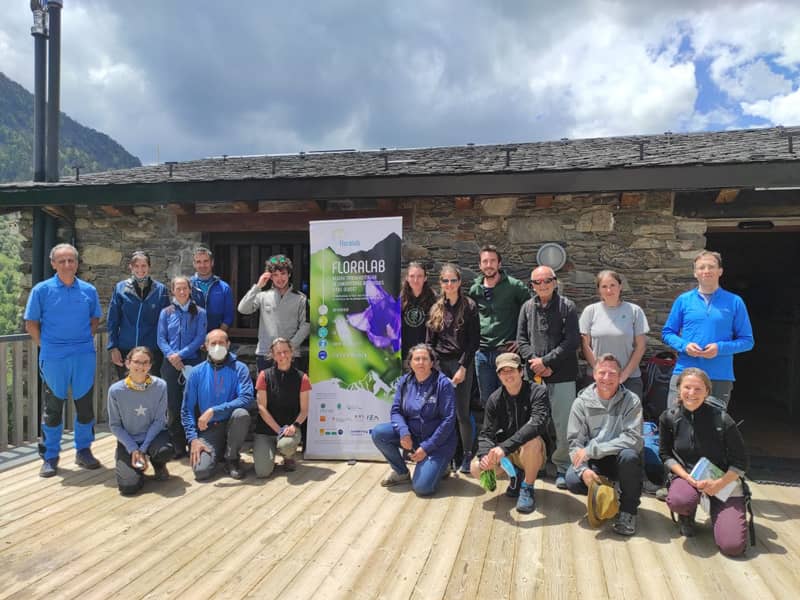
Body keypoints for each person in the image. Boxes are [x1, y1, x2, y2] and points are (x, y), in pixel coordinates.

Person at [24, 243, 103, 478]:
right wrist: (46, 346)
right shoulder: (41, 290)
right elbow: (31, 324)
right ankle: (50, 456)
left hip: (83, 356)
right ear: (53, 264)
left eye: (71, 260)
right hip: (54, 357)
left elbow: (95, 319)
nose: (67, 265)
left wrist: (80, 342)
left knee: (85, 406)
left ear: (77, 263)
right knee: (53, 408)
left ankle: (84, 450)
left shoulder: (89, 290)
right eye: (62, 261)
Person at [659, 367, 749, 556]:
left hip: (724, 480)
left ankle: (718, 508)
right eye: (687, 387)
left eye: (698, 389)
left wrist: (718, 484)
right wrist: (686, 477)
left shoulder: (722, 419)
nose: (692, 393)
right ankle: (687, 515)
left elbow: (740, 462)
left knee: (732, 547)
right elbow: (665, 454)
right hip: (688, 477)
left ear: (707, 391)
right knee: (680, 499)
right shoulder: (669, 417)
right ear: (679, 389)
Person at [662, 250, 754, 410]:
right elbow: (667, 333)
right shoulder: (683, 300)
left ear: (720, 271)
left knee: (714, 429)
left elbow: (747, 341)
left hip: (719, 375)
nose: (706, 271)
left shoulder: (734, 302)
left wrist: (720, 348)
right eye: (701, 267)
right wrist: (684, 346)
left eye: (711, 267)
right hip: (685, 373)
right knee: (676, 424)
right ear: (695, 273)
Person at [565, 353, 643, 536]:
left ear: (620, 375)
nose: (606, 378)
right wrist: (583, 470)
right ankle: (605, 491)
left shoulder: (631, 401)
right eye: (602, 373)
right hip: (595, 461)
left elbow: (633, 438)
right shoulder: (581, 403)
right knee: (572, 479)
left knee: (630, 455)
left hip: (620, 458)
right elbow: (574, 442)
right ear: (594, 374)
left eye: (612, 373)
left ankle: (629, 510)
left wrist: (593, 449)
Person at [517, 265, 579, 489]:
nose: (542, 285)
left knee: (563, 424)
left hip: (562, 375)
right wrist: (536, 362)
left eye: (546, 281)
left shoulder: (567, 307)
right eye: (537, 282)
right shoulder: (526, 308)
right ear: (532, 285)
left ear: (555, 282)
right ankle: (538, 463)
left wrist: (547, 362)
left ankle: (563, 467)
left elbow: (572, 341)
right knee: (535, 423)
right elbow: (521, 340)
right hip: (534, 376)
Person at [370, 343, 456, 496]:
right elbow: (396, 411)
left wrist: (426, 448)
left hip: (438, 443)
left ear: (432, 362)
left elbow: (448, 421)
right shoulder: (405, 381)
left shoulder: (443, 384)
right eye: (416, 359)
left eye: (425, 359)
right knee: (379, 433)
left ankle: (442, 466)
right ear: (410, 363)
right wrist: (404, 432)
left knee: (422, 488)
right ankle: (401, 472)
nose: (421, 362)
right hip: (413, 435)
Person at [470, 353, 551, 513]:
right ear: (498, 375)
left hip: (533, 451)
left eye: (511, 370)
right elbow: (486, 433)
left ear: (521, 371)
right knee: (476, 467)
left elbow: (537, 424)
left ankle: (527, 487)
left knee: (531, 441)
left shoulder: (538, 392)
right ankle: (515, 476)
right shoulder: (494, 399)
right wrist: (484, 455)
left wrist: (504, 448)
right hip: (507, 452)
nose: (507, 375)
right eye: (503, 371)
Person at [426, 263, 479, 473]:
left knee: (461, 413)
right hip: (440, 366)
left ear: (459, 282)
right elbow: (430, 342)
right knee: (441, 413)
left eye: (453, 280)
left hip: (462, 364)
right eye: (445, 281)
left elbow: (474, 341)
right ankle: (446, 455)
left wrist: (463, 367)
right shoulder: (436, 308)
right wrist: (435, 370)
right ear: (441, 283)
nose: (449, 284)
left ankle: (466, 455)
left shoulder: (469, 306)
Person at [182, 329, 254, 481]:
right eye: (213, 343)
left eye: (221, 342)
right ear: (206, 346)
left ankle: (231, 458)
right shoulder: (196, 372)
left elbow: (247, 398)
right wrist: (193, 439)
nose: (217, 346)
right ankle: (219, 451)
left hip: (232, 423)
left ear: (228, 345)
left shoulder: (240, 368)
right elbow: (186, 409)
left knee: (241, 414)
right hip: (210, 428)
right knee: (201, 472)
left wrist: (214, 410)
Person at [468, 245, 530, 407]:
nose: (489, 265)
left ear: (499, 264)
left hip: (506, 352)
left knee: (510, 399)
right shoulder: (475, 289)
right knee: (487, 401)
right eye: (485, 261)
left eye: (492, 261)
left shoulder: (514, 286)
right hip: (482, 354)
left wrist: (521, 340)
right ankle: (493, 433)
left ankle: (512, 433)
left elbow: (531, 312)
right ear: (480, 265)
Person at [107, 347, 174, 495]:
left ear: (150, 365)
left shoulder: (160, 386)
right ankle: (137, 471)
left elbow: (159, 420)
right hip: (129, 439)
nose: (141, 366)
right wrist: (133, 449)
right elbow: (115, 425)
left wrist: (142, 449)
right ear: (128, 363)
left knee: (166, 451)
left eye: (145, 362)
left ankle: (158, 464)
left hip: (153, 437)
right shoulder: (115, 391)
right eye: (136, 362)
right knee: (128, 487)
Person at [157, 276, 207, 457]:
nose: (182, 292)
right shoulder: (166, 312)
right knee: (173, 403)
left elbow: (200, 338)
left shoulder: (200, 312)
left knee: (192, 403)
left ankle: (192, 440)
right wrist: (171, 355)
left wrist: (181, 355)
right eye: (178, 289)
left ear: (190, 290)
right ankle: (177, 443)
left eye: (185, 288)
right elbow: (161, 338)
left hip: (192, 362)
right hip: (170, 364)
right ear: (173, 291)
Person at [579, 270, 649, 400]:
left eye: (612, 285)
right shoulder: (590, 311)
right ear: (599, 289)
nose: (609, 290)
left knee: (629, 419)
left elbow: (641, 346)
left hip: (628, 379)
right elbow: (585, 345)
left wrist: (624, 375)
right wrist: (599, 372)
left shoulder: (634, 311)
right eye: (604, 286)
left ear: (620, 286)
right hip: (597, 379)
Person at [237, 254, 310, 373]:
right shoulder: (263, 296)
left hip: (290, 355)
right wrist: (258, 286)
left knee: (290, 391)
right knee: (265, 390)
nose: (279, 278)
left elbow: (306, 325)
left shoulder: (300, 298)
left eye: (283, 274)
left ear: (289, 274)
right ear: (270, 277)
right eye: (275, 275)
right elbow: (243, 308)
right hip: (265, 353)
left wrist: (289, 346)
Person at [107, 250, 170, 379]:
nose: (140, 269)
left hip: (152, 350)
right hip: (126, 349)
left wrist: (165, 349)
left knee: (150, 390)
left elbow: (166, 322)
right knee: (127, 390)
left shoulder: (160, 290)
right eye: (136, 266)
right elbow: (113, 319)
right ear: (131, 267)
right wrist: (113, 347)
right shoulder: (120, 288)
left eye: (144, 266)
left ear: (149, 267)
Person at [253, 338, 310, 477]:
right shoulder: (264, 376)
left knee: (286, 445)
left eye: (285, 352)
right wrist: (279, 430)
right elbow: (261, 408)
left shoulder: (302, 378)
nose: (282, 356)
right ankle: (270, 452)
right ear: (272, 355)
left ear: (292, 353)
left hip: (290, 430)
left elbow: (304, 410)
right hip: (266, 431)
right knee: (262, 472)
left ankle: (288, 456)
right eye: (278, 353)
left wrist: (294, 426)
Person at [190, 246, 234, 332]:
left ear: (212, 262)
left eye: (206, 261)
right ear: (194, 264)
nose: (202, 265)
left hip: (215, 339)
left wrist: (217, 336)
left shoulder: (224, 287)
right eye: (198, 262)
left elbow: (228, 316)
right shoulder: (187, 286)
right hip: (191, 338)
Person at [401, 262, 436, 360]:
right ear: (407, 278)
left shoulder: (434, 300)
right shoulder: (400, 300)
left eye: (419, 276)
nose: (415, 280)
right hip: (406, 357)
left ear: (425, 278)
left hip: (426, 357)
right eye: (412, 276)